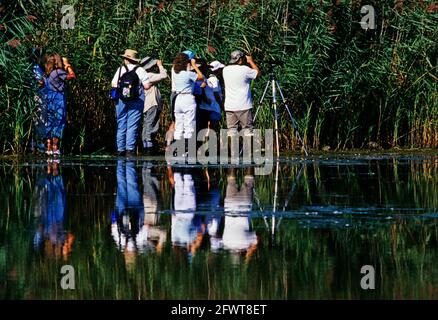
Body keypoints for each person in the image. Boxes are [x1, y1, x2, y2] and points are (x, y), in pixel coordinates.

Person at [111, 49, 151, 156]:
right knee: (132, 125)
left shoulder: (120, 69)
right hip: (136, 100)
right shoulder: (141, 70)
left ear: (126, 59)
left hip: (121, 100)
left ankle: (120, 150)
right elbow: (147, 86)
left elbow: (113, 84)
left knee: (121, 124)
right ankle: (130, 150)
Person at [222, 50, 260, 141]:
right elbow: (257, 73)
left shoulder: (225, 70)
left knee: (231, 131)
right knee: (247, 131)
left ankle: (233, 154)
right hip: (244, 105)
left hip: (230, 106)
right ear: (240, 59)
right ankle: (248, 153)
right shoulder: (245, 69)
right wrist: (250, 61)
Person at [171, 53, 203, 152]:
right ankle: (187, 147)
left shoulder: (175, 73)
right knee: (189, 123)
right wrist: (193, 65)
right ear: (186, 62)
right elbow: (200, 77)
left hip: (178, 99)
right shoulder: (188, 74)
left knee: (179, 123)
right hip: (188, 98)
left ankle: (177, 147)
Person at [44, 53, 76, 156]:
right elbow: (72, 75)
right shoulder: (58, 72)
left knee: (50, 120)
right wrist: (68, 65)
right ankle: (55, 147)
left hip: (49, 98)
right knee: (59, 120)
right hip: (58, 98)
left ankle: (48, 147)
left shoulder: (47, 73)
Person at [139, 57, 167, 154]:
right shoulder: (149, 75)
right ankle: (149, 148)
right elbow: (164, 75)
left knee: (146, 125)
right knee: (151, 125)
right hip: (151, 104)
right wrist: (160, 66)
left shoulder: (141, 75)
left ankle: (146, 146)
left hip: (145, 105)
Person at [198, 60, 225, 134]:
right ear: (217, 70)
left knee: (202, 131)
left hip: (204, 108)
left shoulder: (206, 78)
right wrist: (222, 105)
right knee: (213, 130)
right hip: (213, 108)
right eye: (220, 69)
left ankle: (200, 145)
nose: (221, 71)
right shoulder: (214, 79)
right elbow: (216, 94)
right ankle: (211, 145)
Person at [30, 47, 47, 154]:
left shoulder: (34, 67)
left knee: (37, 121)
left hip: (38, 96)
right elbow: (39, 83)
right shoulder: (35, 67)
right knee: (40, 120)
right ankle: (39, 145)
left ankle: (35, 144)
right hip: (38, 97)